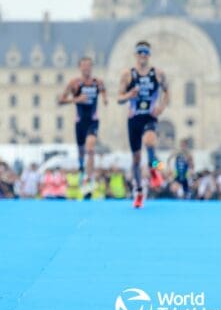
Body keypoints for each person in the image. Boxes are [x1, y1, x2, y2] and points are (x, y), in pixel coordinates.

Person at [117, 40, 169, 208]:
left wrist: (161, 107)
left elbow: (167, 91)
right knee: (136, 159)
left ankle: (155, 171)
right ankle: (139, 191)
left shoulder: (158, 74)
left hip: (149, 116)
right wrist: (129, 95)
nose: (143, 55)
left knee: (150, 141)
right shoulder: (127, 75)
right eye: (140, 52)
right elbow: (118, 98)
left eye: (146, 52)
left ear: (149, 55)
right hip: (134, 119)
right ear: (135, 55)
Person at [57, 56, 107, 185]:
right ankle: (81, 167)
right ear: (80, 67)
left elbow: (103, 90)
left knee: (90, 149)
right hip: (80, 121)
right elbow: (61, 100)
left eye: (89, 65)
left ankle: (89, 178)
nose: (87, 68)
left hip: (93, 120)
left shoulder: (98, 82)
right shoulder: (74, 83)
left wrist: (105, 99)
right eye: (84, 65)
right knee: (81, 150)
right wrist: (76, 100)